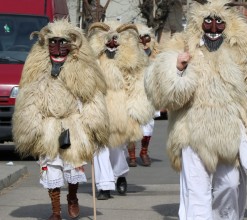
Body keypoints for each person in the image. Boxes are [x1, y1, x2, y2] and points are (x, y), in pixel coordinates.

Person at [144, 0, 247, 219]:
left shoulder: (243, 48)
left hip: (230, 133)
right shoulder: (183, 44)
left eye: (219, 22)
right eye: (207, 21)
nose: (212, 27)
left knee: (229, 185)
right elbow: (161, 92)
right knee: (197, 191)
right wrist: (178, 69)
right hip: (191, 131)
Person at [12, 19, 110, 220]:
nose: (57, 47)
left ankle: (72, 197)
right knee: (51, 167)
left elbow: (91, 97)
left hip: (72, 123)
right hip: (48, 125)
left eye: (63, 42)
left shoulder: (82, 70)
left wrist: (93, 124)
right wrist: (32, 125)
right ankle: (55, 210)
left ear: (71, 45)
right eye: (53, 42)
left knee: (73, 163)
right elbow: (29, 98)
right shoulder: (37, 70)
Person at [87, 20, 155, 200]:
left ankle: (121, 175)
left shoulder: (132, 59)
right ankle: (104, 186)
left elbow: (138, 83)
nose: (111, 43)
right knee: (99, 149)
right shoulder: (93, 60)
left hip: (121, 109)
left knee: (117, 149)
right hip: (99, 108)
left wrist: (136, 111)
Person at [127, 22, 161, 167]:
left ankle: (144, 152)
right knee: (131, 126)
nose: (143, 42)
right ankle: (132, 155)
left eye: (146, 38)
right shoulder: (128, 58)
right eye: (140, 38)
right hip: (132, 95)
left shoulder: (156, 58)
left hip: (148, 96)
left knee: (148, 125)